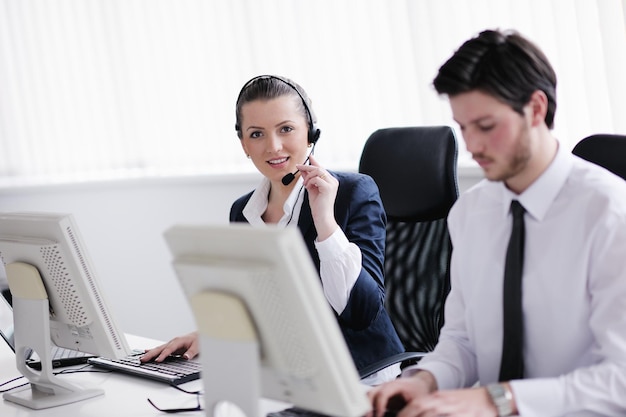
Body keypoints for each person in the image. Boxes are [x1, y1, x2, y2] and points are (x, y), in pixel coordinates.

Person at [368, 29, 626, 416]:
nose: (471, 146)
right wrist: (422, 381)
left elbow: (620, 379)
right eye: (462, 127)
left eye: (486, 127)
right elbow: (462, 340)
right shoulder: (471, 212)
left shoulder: (609, 212)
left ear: (536, 109)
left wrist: (499, 399)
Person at [142, 75, 404, 384]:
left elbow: (361, 312)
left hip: (361, 376)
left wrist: (326, 225)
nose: (273, 146)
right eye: (257, 134)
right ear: (244, 145)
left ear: (311, 133)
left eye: (286, 129)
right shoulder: (243, 211)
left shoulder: (352, 192)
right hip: (289, 375)